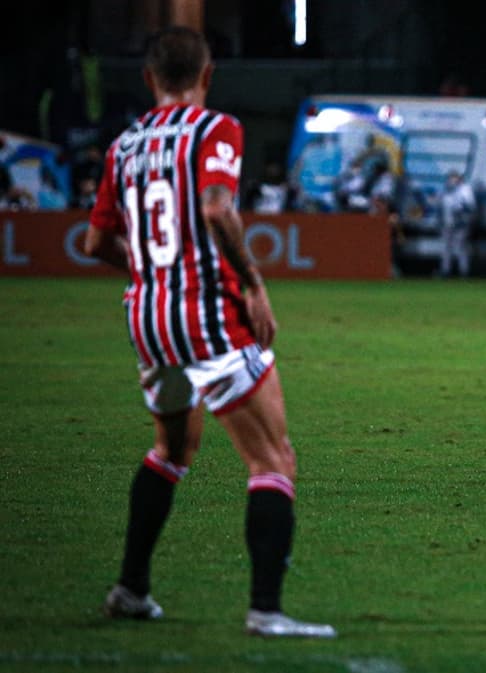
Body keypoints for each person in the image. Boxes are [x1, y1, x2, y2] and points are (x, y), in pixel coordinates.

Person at [84, 26, 336, 639]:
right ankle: (266, 611)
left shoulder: (123, 147)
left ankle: (131, 589)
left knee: (173, 449)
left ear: (148, 79)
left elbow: (95, 242)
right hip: (205, 316)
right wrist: (252, 281)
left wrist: (153, 271)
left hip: (147, 316)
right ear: (208, 74)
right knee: (273, 457)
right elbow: (218, 205)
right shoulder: (214, 128)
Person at [437, 169, 476, 277]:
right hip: (447, 223)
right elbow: (440, 207)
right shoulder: (445, 190)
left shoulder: (465, 190)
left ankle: (464, 271)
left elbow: (470, 207)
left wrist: (460, 210)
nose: (452, 179)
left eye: (454, 177)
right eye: (451, 177)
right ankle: (445, 270)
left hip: (460, 225)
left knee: (460, 248)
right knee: (446, 248)